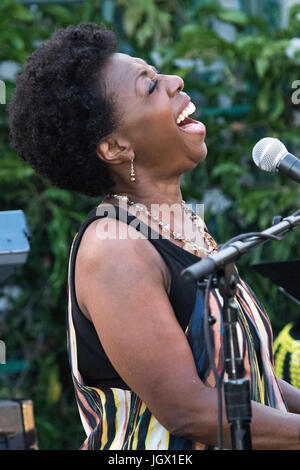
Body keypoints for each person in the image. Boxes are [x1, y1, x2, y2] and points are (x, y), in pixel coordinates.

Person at [8, 22, 300, 450]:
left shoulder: (180, 223)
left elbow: (253, 382)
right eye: (150, 87)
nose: (175, 81)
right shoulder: (113, 248)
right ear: (115, 147)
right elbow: (189, 409)